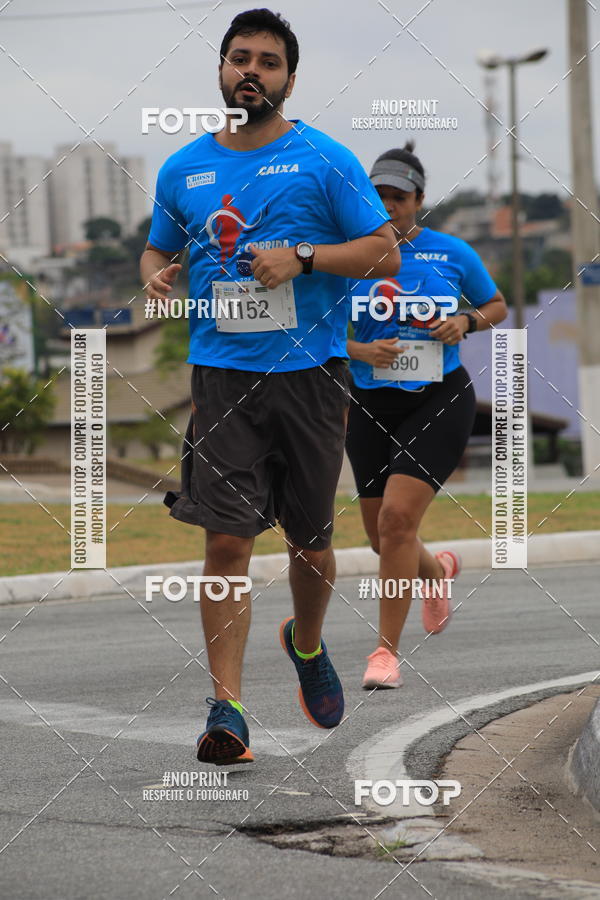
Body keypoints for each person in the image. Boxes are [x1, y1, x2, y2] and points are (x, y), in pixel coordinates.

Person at [140, 9, 399, 763]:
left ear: (289, 78)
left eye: (268, 61)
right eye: (239, 58)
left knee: (310, 547)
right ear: (222, 69)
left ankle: (307, 643)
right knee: (226, 541)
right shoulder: (182, 168)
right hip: (223, 378)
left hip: (311, 377)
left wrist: (305, 258)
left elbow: (384, 252)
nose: (251, 70)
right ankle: (226, 710)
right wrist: (156, 275)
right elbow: (157, 248)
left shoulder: (325, 159)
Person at [345, 143, 507, 690]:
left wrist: (465, 321)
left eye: (400, 196)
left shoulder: (451, 252)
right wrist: (359, 350)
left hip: (439, 397)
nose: (389, 205)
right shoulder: (349, 257)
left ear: (419, 200)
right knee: (380, 537)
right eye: (379, 196)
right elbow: (316, 332)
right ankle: (436, 573)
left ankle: (385, 654)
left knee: (396, 522)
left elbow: (496, 305)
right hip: (369, 401)